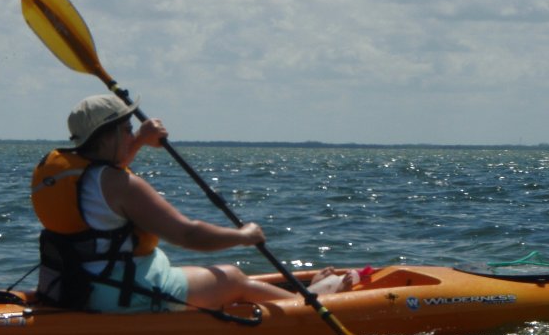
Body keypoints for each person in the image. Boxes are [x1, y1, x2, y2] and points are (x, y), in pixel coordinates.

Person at [31, 94, 351, 312]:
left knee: (210, 277)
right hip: (121, 295)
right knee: (233, 277)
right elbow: (188, 235)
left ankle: (294, 298)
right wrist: (245, 236)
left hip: (76, 285)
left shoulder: (71, 176)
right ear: (107, 136)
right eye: (127, 130)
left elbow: (106, 172)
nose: (132, 135)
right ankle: (308, 306)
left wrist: (140, 140)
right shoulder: (122, 186)